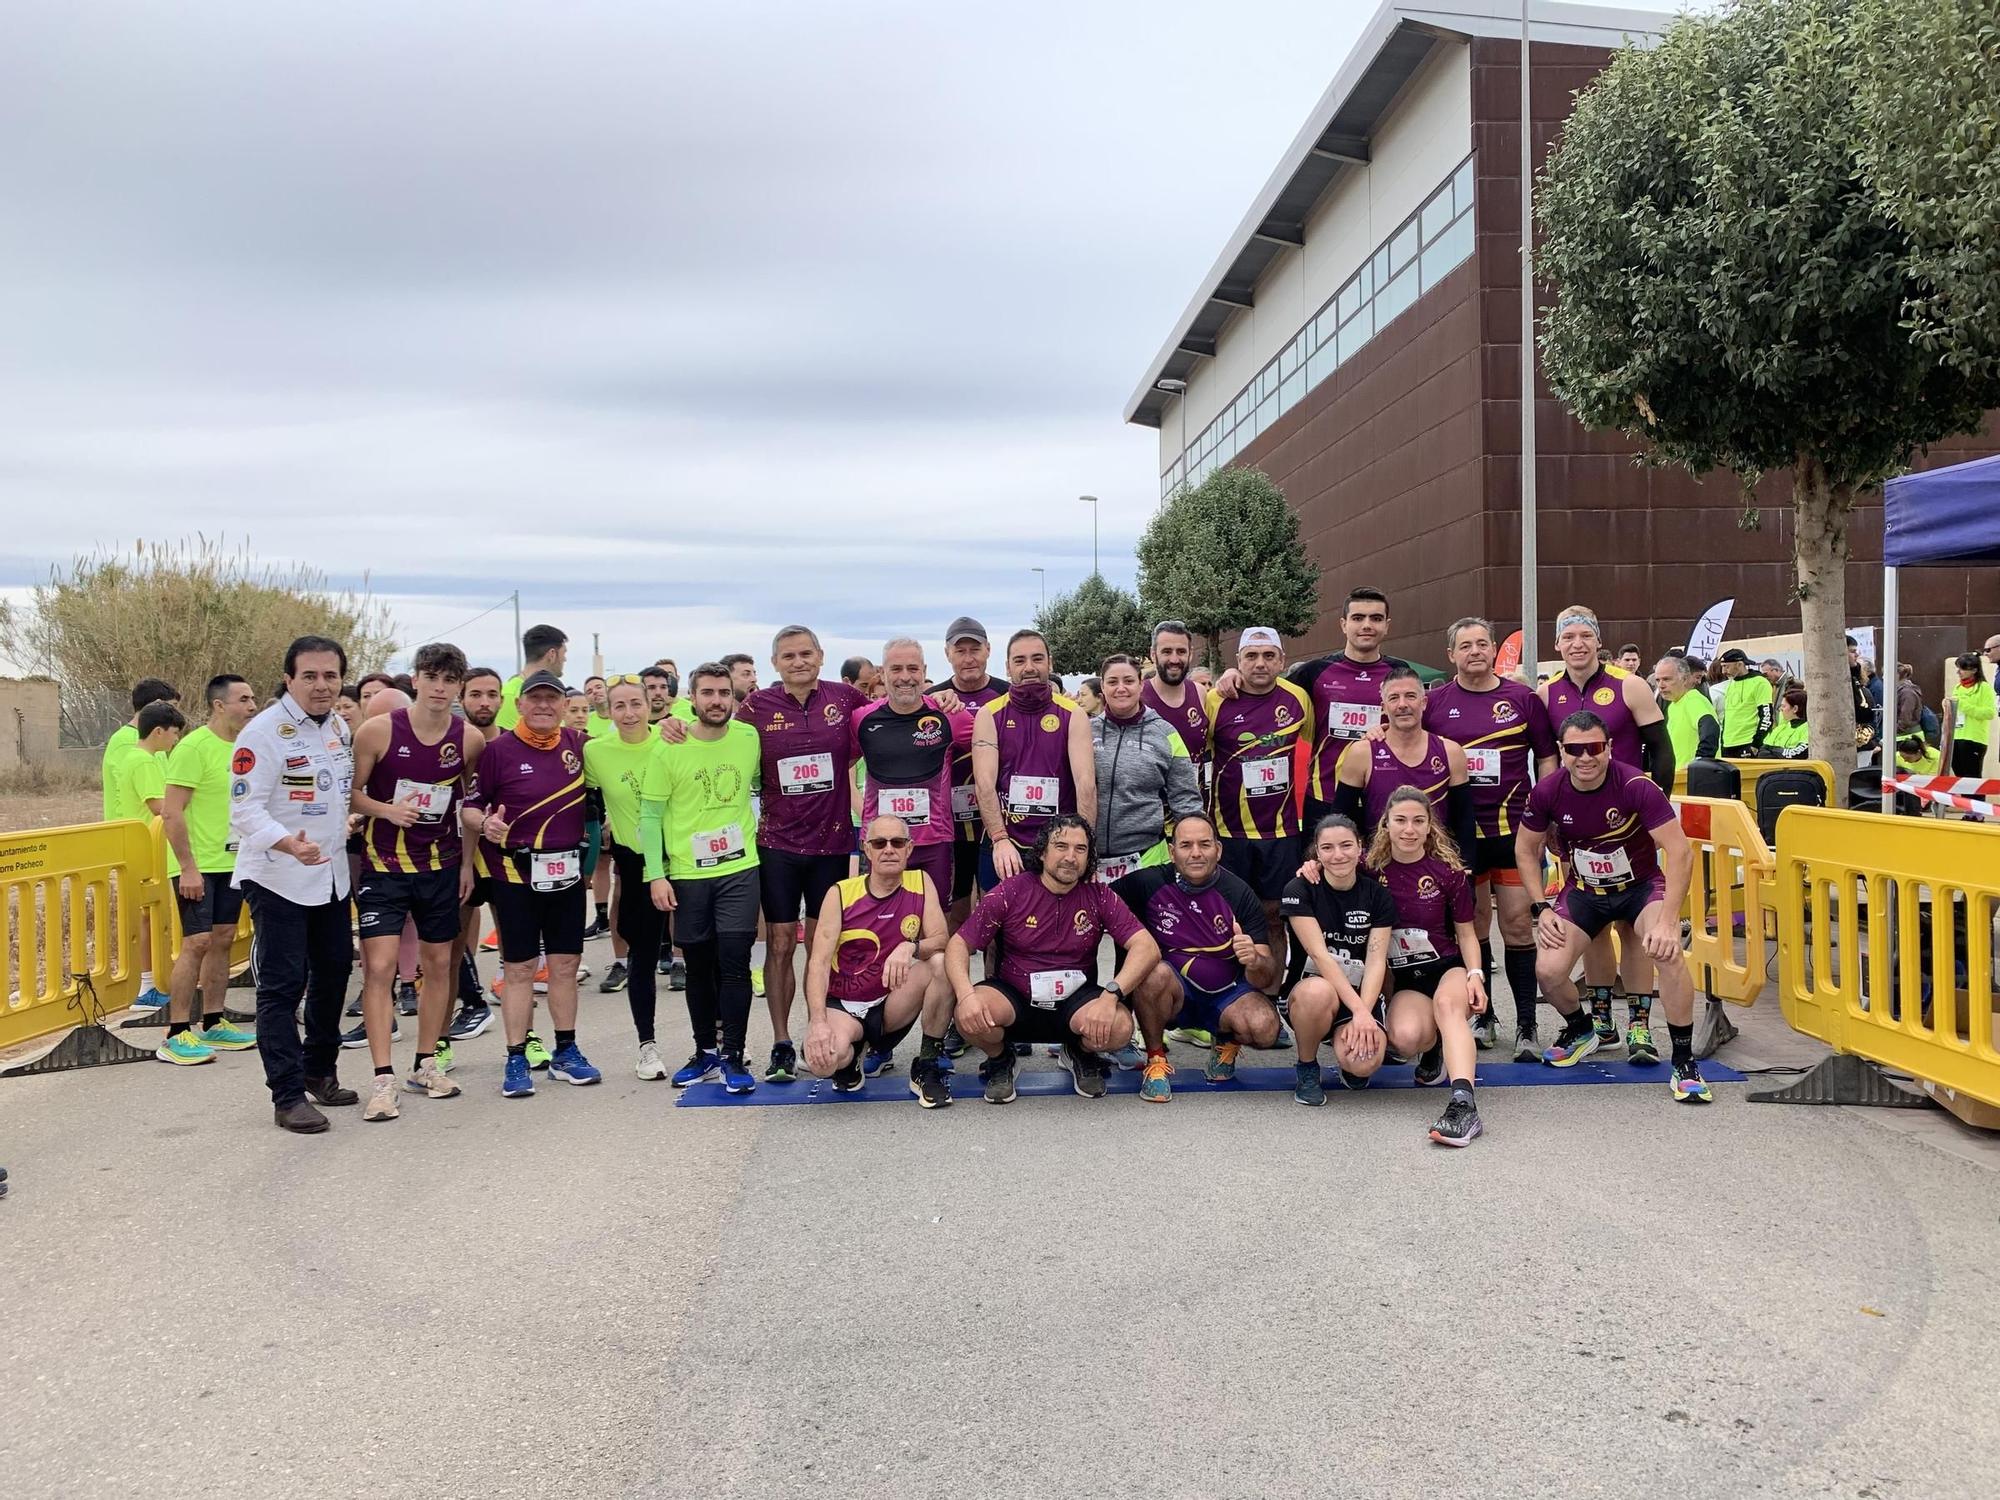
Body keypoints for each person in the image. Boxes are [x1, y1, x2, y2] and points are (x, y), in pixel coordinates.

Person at [674, 626, 863, 1083]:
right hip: (777, 845)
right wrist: (671, 723)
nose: (798, 662)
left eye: (805, 653)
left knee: (825, 947)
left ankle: (824, 1034)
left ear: (820, 655)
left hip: (831, 845)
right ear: (775, 663)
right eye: (788, 656)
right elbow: (708, 728)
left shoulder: (847, 699)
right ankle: (781, 1042)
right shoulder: (756, 707)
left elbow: (893, 713)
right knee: (779, 946)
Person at [1516, 711, 1709, 1102]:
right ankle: (1582, 1028)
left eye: (1594, 748)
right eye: (1574, 749)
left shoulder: (1637, 785)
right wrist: (1543, 907)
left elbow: (1679, 852)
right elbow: (1524, 848)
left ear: (1609, 748)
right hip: (1584, 891)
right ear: (1561, 751)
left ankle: (1684, 1062)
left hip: (1639, 887)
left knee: (1667, 952)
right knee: (1548, 971)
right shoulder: (1548, 790)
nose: (1585, 758)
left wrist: (1670, 921)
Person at [230, 637, 359, 1133]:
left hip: (329, 877)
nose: (322, 685)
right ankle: (286, 1096)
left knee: (333, 974)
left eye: (330, 675)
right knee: (282, 988)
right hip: (278, 876)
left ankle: (318, 1071)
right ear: (288, 680)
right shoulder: (261, 733)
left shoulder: (339, 729)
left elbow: (337, 796)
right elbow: (244, 809)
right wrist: (288, 844)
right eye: (310, 676)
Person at [346, 642, 481, 1118]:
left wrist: (467, 865)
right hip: (383, 866)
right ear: (416, 680)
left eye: (449, 681)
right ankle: (382, 1078)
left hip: (440, 867)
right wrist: (388, 810)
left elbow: (469, 807)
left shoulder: (469, 740)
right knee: (379, 969)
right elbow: (353, 796)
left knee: (439, 964)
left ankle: (426, 1062)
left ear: (458, 686)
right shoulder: (377, 731)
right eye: (432, 678)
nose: (440, 689)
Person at [946, 815, 1159, 1102]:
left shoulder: (1099, 895)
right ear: (1043, 852)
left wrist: (1111, 996)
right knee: (967, 1015)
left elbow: (1146, 947)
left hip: (1076, 1002)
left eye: (1080, 849)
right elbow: (958, 944)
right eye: (1061, 846)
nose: (1070, 857)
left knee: (1120, 1027)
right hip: (1015, 999)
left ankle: (1080, 1053)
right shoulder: (1011, 891)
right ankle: (1000, 1058)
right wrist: (965, 994)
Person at [465, 668, 603, 1099]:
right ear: (520, 704)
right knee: (520, 968)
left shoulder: (581, 747)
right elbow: (470, 805)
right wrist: (485, 823)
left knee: (563, 966)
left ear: (564, 706)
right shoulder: (498, 750)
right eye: (535, 699)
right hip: (514, 873)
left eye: (552, 699)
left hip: (565, 872)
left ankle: (566, 1050)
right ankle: (516, 1056)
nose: (544, 706)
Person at [1541, 605, 1673, 1051]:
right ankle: (1602, 1022)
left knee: (1634, 928)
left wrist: (1659, 812)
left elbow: (1662, 750)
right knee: (1593, 923)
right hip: (1576, 828)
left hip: (1630, 821)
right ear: (1557, 644)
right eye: (1568, 636)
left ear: (1599, 641)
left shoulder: (1630, 685)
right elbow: (1544, 758)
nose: (1577, 644)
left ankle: (1639, 1023)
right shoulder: (1547, 693)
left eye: (1585, 636)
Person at [1422, 618, 1556, 1059]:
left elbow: (1548, 757)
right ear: (1451, 655)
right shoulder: (1435, 701)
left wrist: (1548, 811)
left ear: (1494, 649)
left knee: (1517, 924)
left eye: (1482, 644)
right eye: (1465, 645)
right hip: (1460, 835)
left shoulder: (1522, 698)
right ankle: (1484, 1015)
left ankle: (1527, 1026)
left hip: (1515, 833)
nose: (1475, 651)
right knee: (1475, 924)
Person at [640, 662, 764, 1094]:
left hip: (738, 870)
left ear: (734, 697)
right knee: (697, 967)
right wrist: (656, 875)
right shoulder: (668, 746)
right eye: (707, 693)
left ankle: (733, 1055)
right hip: (688, 875)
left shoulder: (749, 738)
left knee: (734, 963)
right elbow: (650, 815)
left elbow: (764, 786)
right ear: (691, 698)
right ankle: (704, 1053)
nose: (716, 701)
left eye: (724, 693)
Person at [1117, 811, 1280, 1103]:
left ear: (1218, 849)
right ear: (1172, 851)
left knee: (1266, 1028)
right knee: (1152, 973)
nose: (1196, 853)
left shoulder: (1240, 893)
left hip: (1226, 995)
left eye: (1204, 844)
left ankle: (1225, 1042)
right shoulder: (1148, 883)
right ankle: (1156, 1061)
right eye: (1186, 845)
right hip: (1173, 992)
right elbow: (1096, 902)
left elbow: (1266, 976)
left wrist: (1254, 959)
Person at [1214, 588, 1409, 831]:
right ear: (1343, 624)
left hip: (1381, 796)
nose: (1367, 625)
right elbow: (1268, 688)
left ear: (1387, 625)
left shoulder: (1400, 672)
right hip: (1324, 796)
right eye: (1358, 618)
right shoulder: (1315, 671)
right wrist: (1234, 672)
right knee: (1320, 867)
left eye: (1376, 618)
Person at [1364, 787, 1489, 1145]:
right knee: (1403, 1039)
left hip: (1446, 966)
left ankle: (1464, 1105)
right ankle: (1434, 1048)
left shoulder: (1447, 872)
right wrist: (1310, 866)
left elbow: (1467, 934)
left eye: (1419, 821)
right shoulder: (1370, 870)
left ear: (1430, 826)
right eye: (1400, 820)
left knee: (1448, 1006)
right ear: (1385, 824)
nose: (1409, 829)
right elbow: (1331, 861)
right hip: (1405, 977)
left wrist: (1476, 976)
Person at [802, 815, 954, 1103]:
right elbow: (818, 964)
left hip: (890, 1004)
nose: (889, 849)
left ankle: (927, 1064)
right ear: (867, 849)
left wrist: (910, 947)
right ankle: (849, 1062)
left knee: (940, 964)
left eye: (897, 842)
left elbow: (941, 938)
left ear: (909, 849)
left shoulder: (921, 882)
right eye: (879, 843)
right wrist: (817, 1022)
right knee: (822, 1063)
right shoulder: (841, 893)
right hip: (845, 1005)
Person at [158, 674, 262, 1066]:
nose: (252, 706)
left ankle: (214, 1020)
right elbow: (172, 812)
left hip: (233, 862)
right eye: (244, 699)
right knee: (196, 942)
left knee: (222, 938)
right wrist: (187, 867)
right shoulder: (193, 747)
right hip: (196, 865)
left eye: (253, 699)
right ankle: (176, 1032)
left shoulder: (246, 747)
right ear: (220, 705)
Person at [1204, 626, 1314, 975]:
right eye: (1251, 656)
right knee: (1228, 916)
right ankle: (1229, 992)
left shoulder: (1298, 698)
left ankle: (1268, 994)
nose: (1260, 663)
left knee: (1274, 917)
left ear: (1282, 660)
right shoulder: (1217, 700)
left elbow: (1313, 751)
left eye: (1269, 656)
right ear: (1237, 661)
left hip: (1281, 832)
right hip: (1229, 830)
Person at [584, 675, 674, 1077]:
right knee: (642, 956)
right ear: (607, 710)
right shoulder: (596, 751)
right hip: (636, 862)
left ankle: (716, 1043)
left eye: (636, 703)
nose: (629, 713)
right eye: (619, 705)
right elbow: (582, 799)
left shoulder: (672, 740)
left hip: (681, 858)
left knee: (703, 949)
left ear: (650, 704)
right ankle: (647, 1045)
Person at [1281, 814, 1396, 1105]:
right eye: (1328, 848)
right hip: (1312, 990)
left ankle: (1347, 1048)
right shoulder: (1299, 889)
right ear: (1317, 853)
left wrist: (1363, 1013)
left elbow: (1375, 960)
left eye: (1346, 846)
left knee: (1364, 1063)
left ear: (1360, 848)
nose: (1338, 855)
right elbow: (1320, 956)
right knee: (1317, 992)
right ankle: (1307, 1066)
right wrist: (1360, 1012)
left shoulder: (1377, 894)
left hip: (1360, 993)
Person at [971, 628, 1097, 891]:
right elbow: (984, 785)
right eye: (1020, 660)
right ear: (1008, 667)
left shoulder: (1072, 714)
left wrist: (1085, 845)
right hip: (1008, 840)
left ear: (1050, 662)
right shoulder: (989, 714)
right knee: (998, 925)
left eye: (1037, 659)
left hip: (1060, 842)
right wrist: (1000, 839)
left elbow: (1085, 784)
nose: (1029, 667)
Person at [1331, 665, 1472, 847]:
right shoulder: (1362, 753)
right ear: (1384, 707)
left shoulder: (1451, 752)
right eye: (1394, 698)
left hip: (1435, 862)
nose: (1402, 704)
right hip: (1379, 865)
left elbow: (1464, 820)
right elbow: (1342, 818)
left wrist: (1466, 869)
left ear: (1424, 703)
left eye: (1410, 696)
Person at [1091, 654, 1201, 886]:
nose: (1121, 688)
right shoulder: (1084, 731)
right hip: (1090, 860)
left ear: (1141, 684)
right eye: (1112, 682)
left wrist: (1195, 847)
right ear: (1102, 686)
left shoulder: (1165, 732)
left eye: (1129, 681)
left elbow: (1186, 798)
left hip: (1147, 857)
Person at [106, 699, 186, 1010]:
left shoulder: (133, 758)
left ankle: (150, 982)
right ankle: (148, 986)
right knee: (149, 918)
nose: (175, 739)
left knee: (149, 917)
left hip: (142, 848)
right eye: (174, 733)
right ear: (158, 732)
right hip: (148, 850)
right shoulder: (144, 762)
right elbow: (159, 806)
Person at [929, 617, 1008, 930]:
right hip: (951, 826)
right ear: (947, 654)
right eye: (959, 650)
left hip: (999, 823)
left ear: (988, 650)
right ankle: (953, 979)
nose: (968, 657)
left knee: (998, 916)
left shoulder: (1008, 694)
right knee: (954, 914)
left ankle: (994, 979)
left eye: (974, 649)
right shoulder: (933, 700)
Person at [445, 667, 505, 1042]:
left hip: (502, 856)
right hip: (458, 852)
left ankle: (508, 991)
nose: (484, 702)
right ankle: (470, 1001)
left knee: (513, 940)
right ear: (462, 698)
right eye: (476, 694)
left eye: (492, 694)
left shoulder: (512, 744)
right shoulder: (450, 743)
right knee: (455, 937)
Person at [102, 678, 180, 819]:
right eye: (172, 707)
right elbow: (126, 796)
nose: (175, 713)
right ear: (157, 704)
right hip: (132, 833)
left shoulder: (155, 742)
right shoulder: (127, 741)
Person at [1141, 619, 1210, 770]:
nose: (1174, 659)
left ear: (1190, 654)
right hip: (1152, 793)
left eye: (1181, 651)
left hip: (1196, 791)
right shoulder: (1138, 697)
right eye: (1166, 652)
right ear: (1153, 655)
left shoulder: (1200, 692)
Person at [494, 624, 567, 732]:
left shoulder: (508, 691)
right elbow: (505, 743)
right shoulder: (509, 695)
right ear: (552, 655)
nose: (565, 659)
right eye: (564, 653)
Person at [1653, 654, 1720, 767]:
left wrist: (1700, 763)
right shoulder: (1674, 705)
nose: (1661, 685)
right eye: (1658, 680)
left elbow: (1711, 729)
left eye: (1666, 679)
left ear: (1684, 679)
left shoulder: (1693, 700)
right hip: (1679, 777)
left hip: (1697, 778)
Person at [1714, 648, 1774, 757]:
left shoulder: (1760, 683)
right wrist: (1723, 742)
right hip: (1728, 744)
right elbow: (1728, 717)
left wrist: (1756, 744)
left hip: (1748, 742)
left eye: (1726, 667)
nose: (1723, 672)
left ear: (1739, 664)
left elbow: (1766, 716)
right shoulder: (1731, 684)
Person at [1948, 652, 1995, 776]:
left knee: (1972, 778)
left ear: (1974, 670)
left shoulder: (1984, 688)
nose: (1959, 672)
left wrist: (1964, 706)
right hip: (1956, 737)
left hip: (1974, 738)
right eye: (1958, 668)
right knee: (1960, 777)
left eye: (1963, 669)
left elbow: (1989, 713)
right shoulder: (1958, 688)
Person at [1763, 689, 1810, 757]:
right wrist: (1781, 752)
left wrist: (1772, 750)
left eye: (1783, 706)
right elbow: (1762, 752)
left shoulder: (1808, 729)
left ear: (1795, 709)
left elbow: (1798, 754)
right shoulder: (1779, 729)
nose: (1780, 709)